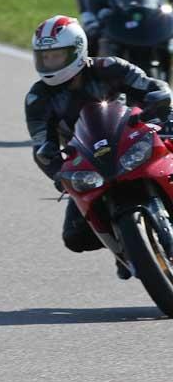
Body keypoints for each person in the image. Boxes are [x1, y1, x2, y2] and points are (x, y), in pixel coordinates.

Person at [25, 15, 171, 278]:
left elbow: (152, 86)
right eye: (44, 57)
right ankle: (128, 244)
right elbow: (42, 146)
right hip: (89, 160)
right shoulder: (38, 98)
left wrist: (160, 106)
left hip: (133, 139)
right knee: (75, 236)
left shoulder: (110, 67)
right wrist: (60, 174)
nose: (49, 63)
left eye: (56, 56)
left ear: (78, 51)